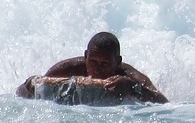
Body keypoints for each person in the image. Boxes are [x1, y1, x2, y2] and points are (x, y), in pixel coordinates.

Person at [17, 31, 168, 103]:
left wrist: (132, 88)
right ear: (86, 57)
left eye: (105, 63)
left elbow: (162, 102)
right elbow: (28, 93)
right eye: (93, 62)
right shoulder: (67, 70)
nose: (98, 69)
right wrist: (29, 85)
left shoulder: (128, 76)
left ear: (118, 62)